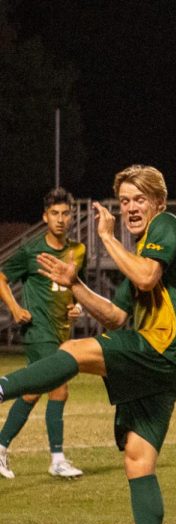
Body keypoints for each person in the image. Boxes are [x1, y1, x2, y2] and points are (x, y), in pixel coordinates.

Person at [1, 165, 176, 524]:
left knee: (73, 352)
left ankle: (1, 387)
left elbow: (147, 278)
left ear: (158, 203)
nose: (129, 207)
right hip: (167, 365)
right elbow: (117, 315)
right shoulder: (143, 251)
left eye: (138, 199)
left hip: (163, 348)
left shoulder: (167, 226)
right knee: (137, 458)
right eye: (124, 200)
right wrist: (75, 286)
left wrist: (107, 238)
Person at [0, 188, 85, 480]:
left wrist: (75, 308)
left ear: (72, 217)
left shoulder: (78, 251)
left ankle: (0, 447)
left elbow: (70, 289)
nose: (60, 219)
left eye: (65, 213)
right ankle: (57, 459)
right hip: (38, 330)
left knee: (31, 392)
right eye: (54, 214)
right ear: (45, 217)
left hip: (61, 331)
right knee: (59, 387)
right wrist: (14, 308)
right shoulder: (32, 251)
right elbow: (1, 277)